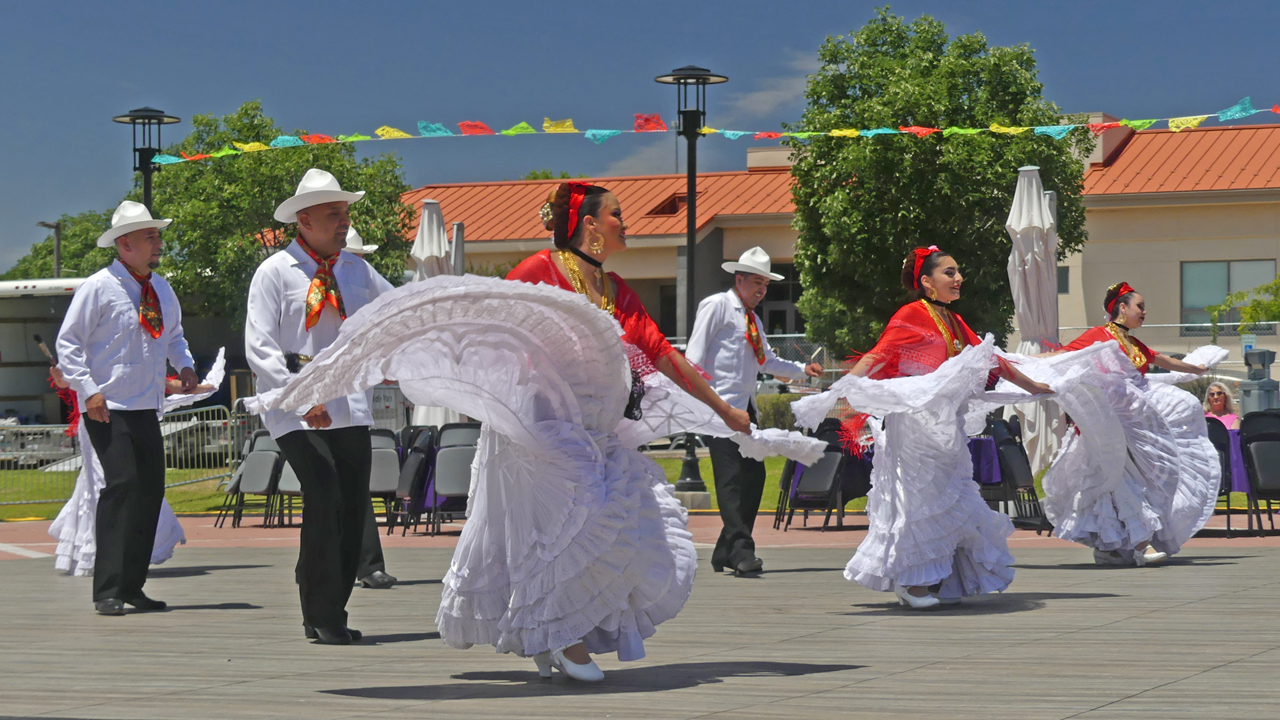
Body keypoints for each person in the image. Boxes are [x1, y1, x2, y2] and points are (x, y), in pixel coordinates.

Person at [247, 181, 825, 682]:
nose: (626, 223)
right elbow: (478, 325)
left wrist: (726, 411)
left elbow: (665, 358)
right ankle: (561, 638)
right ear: (589, 226)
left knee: (627, 518)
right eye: (617, 214)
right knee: (565, 528)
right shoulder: (537, 273)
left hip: (594, 429)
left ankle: (557, 635)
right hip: (538, 432)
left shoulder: (617, 290)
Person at [792, 246, 1052, 609]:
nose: (958, 278)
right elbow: (878, 355)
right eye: (949, 272)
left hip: (946, 426)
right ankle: (913, 584)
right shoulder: (911, 314)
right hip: (914, 424)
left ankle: (942, 580)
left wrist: (1035, 385)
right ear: (926, 281)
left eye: (958, 271)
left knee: (953, 497)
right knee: (919, 499)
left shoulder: (954, 321)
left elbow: (991, 358)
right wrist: (841, 388)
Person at [245, 169, 395, 644]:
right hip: (294, 407)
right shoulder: (274, 272)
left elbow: (397, 311)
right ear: (304, 220)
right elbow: (260, 347)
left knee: (352, 507)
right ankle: (323, 612)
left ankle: (327, 599)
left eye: (346, 214)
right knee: (324, 492)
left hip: (349, 404)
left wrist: (399, 353)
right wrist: (304, 396)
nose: (343, 223)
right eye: (334, 215)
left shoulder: (357, 270)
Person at [55, 201, 198, 616]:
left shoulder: (162, 289)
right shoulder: (99, 286)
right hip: (108, 405)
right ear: (124, 244)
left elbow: (174, 337)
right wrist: (89, 390)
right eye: (149, 236)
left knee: (150, 491)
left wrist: (185, 365)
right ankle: (107, 590)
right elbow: (69, 344)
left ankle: (133, 586)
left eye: (157, 235)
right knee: (122, 486)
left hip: (146, 406)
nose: (157, 243)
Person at [1037, 281, 1219, 567]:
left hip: (1132, 427)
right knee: (1121, 481)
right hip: (1107, 427)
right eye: (1140, 307)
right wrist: (1020, 362)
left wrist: (1196, 368)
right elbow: (1064, 354)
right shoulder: (1100, 336)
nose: (1144, 312)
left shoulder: (1133, 343)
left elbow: (1161, 359)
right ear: (1123, 308)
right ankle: (1141, 545)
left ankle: (1107, 548)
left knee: (1124, 483)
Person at [686, 247, 822, 577]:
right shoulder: (718, 306)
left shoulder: (752, 319)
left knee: (754, 478)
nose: (762, 291)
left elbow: (767, 362)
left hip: (746, 411)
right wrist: (704, 405)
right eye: (757, 283)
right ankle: (742, 552)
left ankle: (724, 551)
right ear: (739, 279)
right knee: (731, 480)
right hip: (720, 410)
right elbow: (694, 357)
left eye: (766, 284)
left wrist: (803, 368)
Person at [48, 353, 224, 577]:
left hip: (125, 418)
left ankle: (112, 554)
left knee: (124, 481)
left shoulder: (131, 353)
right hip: (96, 419)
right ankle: (101, 554)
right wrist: (60, 376)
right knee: (103, 482)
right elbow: (67, 379)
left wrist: (204, 387)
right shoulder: (87, 347)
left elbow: (166, 383)